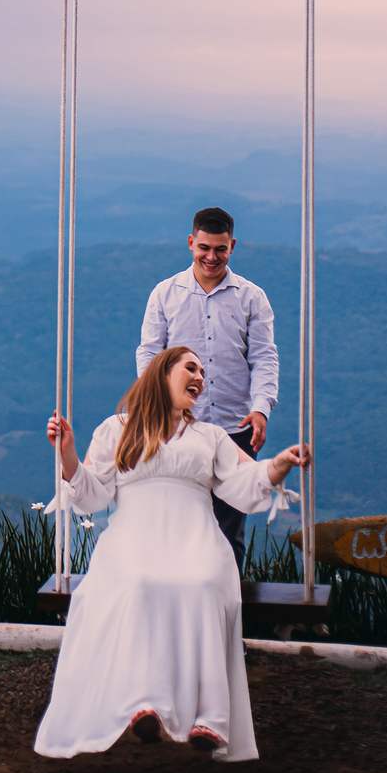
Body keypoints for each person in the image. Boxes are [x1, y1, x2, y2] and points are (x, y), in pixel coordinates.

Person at [34, 346, 309, 762]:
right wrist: (67, 451)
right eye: (191, 368)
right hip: (133, 540)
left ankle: (211, 720)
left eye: (203, 371)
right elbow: (90, 494)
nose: (200, 377)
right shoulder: (117, 428)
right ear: (163, 374)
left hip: (195, 540)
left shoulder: (210, 436)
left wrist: (280, 465)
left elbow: (245, 481)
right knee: (137, 583)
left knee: (202, 585)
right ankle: (144, 705)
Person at [136, 206, 277, 572]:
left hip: (235, 428)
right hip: (178, 429)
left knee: (230, 531)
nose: (211, 257)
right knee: (176, 524)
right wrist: (154, 405)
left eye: (220, 249)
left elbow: (264, 357)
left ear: (232, 246)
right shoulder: (165, 294)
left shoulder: (252, 297)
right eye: (203, 248)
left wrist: (261, 408)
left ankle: (226, 616)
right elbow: (150, 354)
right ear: (190, 243)